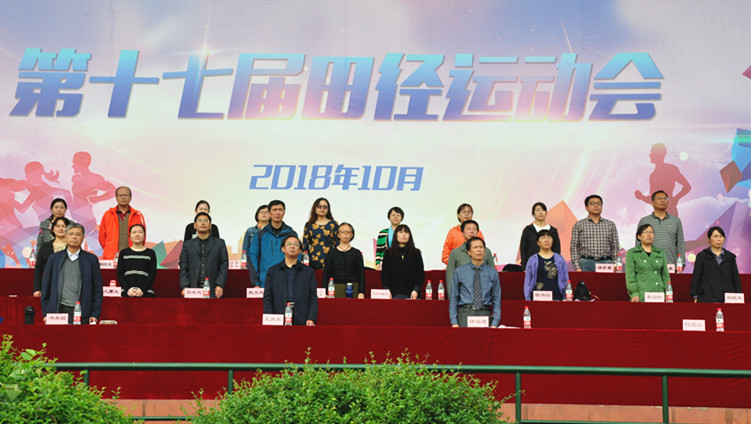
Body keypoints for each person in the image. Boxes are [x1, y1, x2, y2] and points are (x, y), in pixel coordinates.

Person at [41, 223, 103, 324]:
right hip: (58, 311)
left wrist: (95, 314)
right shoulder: (54, 259)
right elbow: (45, 287)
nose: (74, 237)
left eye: (78, 234)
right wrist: (45, 313)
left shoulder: (91, 260)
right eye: (71, 234)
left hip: (83, 312)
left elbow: (97, 289)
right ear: (65, 237)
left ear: (83, 238)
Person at [263, 235, 318, 326]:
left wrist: (311, 317)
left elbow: (313, 298)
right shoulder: (273, 271)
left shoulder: (308, 272)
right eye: (289, 244)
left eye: (296, 245)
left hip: (302, 317)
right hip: (278, 316)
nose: (292, 246)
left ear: (300, 251)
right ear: (283, 249)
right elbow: (268, 297)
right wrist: (270, 317)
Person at [449, 237, 501, 328]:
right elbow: (454, 297)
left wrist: (495, 323)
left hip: (485, 312)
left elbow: (496, 298)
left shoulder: (492, 272)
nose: (479, 250)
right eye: (475, 247)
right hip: (465, 313)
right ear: (469, 252)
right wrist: (454, 322)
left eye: (481, 247)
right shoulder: (459, 272)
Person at [179, 212, 228, 298]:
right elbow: (183, 265)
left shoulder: (219, 243)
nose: (203, 223)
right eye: (199, 220)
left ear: (210, 226)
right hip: (193, 288)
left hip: (213, 289)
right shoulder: (188, 244)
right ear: (195, 225)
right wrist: (185, 286)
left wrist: (220, 285)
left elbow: (224, 264)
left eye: (206, 221)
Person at [249, 200, 297, 287]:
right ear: (269, 213)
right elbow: (253, 257)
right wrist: (255, 282)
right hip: (265, 281)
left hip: (287, 281)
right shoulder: (260, 234)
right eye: (274, 210)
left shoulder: (291, 234)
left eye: (280, 210)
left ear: (284, 213)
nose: (277, 213)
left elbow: (297, 256)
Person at [634, 143, 691, 216]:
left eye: (652, 153)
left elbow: (687, 186)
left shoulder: (670, 170)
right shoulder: (653, 176)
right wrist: (641, 197)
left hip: (669, 212)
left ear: (658, 155)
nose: (650, 155)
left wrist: (675, 199)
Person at [690, 226, 742, 303]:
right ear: (709, 239)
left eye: (721, 236)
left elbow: (735, 278)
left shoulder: (730, 257)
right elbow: (697, 276)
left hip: (727, 297)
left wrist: (739, 296)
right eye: (715, 236)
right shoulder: (702, 256)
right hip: (707, 296)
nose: (719, 239)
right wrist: (695, 295)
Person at [635, 190, 685, 267]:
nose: (663, 200)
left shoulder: (676, 221)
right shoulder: (644, 221)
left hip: (670, 265)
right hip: (648, 266)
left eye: (665, 199)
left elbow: (680, 244)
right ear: (652, 203)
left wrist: (681, 264)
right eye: (659, 198)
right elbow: (638, 244)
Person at [570, 194, 620, 272]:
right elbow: (574, 246)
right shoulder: (579, 225)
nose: (596, 205)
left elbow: (615, 246)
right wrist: (577, 267)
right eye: (592, 203)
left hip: (606, 263)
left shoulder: (610, 224)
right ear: (586, 207)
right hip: (586, 263)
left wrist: (615, 265)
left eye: (599, 203)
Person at [445, 220, 494, 294]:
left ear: (477, 232)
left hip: (483, 295)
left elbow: (492, 275)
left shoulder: (486, 252)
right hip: (462, 296)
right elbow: (450, 276)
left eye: (474, 229)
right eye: (468, 229)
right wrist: (452, 296)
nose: (472, 231)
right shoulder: (455, 253)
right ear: (462, 233)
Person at [625, 224, 670, 302]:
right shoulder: (632, 253)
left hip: (658, 293)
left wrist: (668, 294)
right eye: (646, 232)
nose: (649, 234)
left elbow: (665, 275)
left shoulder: (660, 253)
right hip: (641, 294)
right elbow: (630, 277)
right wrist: (634, 293)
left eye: (651, 232)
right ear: (639, 236)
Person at [99, 186, 146, 259]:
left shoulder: (137, 215)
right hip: (112, 256)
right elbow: (102, 237)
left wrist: (137, 250)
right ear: (116, 198)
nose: (123, 197)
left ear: (130, 197)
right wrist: (110, 249)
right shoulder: (108, 214)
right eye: (120, 195)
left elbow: (142, 236)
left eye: (126, 195)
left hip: (133, 255)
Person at [322, 222, 365, 298]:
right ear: (338, 235)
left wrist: (361, 292)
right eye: (342, 231)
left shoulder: (356, 253)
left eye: (348, 232)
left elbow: (361, 274)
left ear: (352, 235)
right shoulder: (331, 253)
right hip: (335, 287)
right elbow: (326, 273)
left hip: (353, 288)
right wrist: (324, 291)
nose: (345, 234)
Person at [381, 225, 425, 299]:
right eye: (401, 232)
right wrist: (387, 290)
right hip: (392, 294)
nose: (404, 234)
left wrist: (416, 290)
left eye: (406, 232)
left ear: (410, 236)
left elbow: (420, 274)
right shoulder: (389, 253)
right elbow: (384, 274)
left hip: (412, 294)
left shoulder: (416, 253)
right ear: (396, 235)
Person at [523, 230, 569, 301]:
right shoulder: (532, 260)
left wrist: (566, 297)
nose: (546, 240)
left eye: (549, 237)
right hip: (537, 298)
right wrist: (528, 299)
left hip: (557, 298)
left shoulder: (560, 259)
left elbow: (566, 279)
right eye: (543, 238)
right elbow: (528, 281)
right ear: (538, 242)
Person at [33, 217, 70, 297]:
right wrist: (37, 289)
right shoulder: (45, 247)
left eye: (63, 226)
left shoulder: (73, 247)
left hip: (69, 287)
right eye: (57, 226)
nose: (60, 228)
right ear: (53, 229)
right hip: (49, 286)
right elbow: (38, 269)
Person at [117, 224, 157, 298]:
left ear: (144, 235)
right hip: (127, 291)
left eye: (140, 232)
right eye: (134, 232)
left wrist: (142, 290)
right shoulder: (124, 253)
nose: (137, 234)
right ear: (129, 236)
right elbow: (120, 273)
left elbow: (152, 273)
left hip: (146, 292)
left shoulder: (150, 253)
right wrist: (128, 289)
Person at [519, 202, 561, 268]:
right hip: (532, 266)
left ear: (546, 213)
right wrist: (524, 267)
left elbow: (557, 250)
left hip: (549, 266)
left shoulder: (553, 230)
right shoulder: (528, 230)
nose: (541, 212)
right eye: (538, 210)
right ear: (533, 214)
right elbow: (523, 250)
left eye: (543, 210)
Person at [302, 197, 338, 270]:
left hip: (330, 258)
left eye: (325, 207)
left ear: (328, 209)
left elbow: (337, 243)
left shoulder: (333, 224)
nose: (322, 208)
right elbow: (305, 245)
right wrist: (304, 260)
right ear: (315, 208)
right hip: (313, 259)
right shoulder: (309, 225)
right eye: (319, 206)